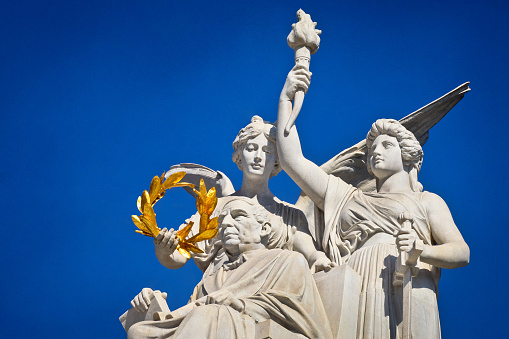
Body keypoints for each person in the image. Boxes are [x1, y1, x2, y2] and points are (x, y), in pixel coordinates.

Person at [276, 65, 470, 339]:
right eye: (372, 149)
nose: (375, 152)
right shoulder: (347, 197)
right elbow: (292, 161)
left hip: (409, 280)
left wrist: (421, 250)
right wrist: (286, 99)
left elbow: (461, 252)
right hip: (353, 279)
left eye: (386, 146)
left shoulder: (426, 201)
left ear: (407, 155)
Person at [127, 197, 333, 339]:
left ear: (264, 228)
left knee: (207, 314)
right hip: (210, 326)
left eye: (238, 216)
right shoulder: (210, 278)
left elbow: (301, 312)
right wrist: (152, 305)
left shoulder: (286, 260)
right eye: (223, 220)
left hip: (247, 324)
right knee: (139, 331)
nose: (225, 224)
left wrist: (240, 304)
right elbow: (183, 318)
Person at [154, 115, 334, 276]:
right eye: (251, 148)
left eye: (267, 152)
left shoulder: (290, 215)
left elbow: (311, 254)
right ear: (239, 156)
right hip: (221, 286)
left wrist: (320, 260)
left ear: (277, 162)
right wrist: (164, 250)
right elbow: (178, 256)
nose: (258, 157)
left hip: (268, 292)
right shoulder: (215, 207)